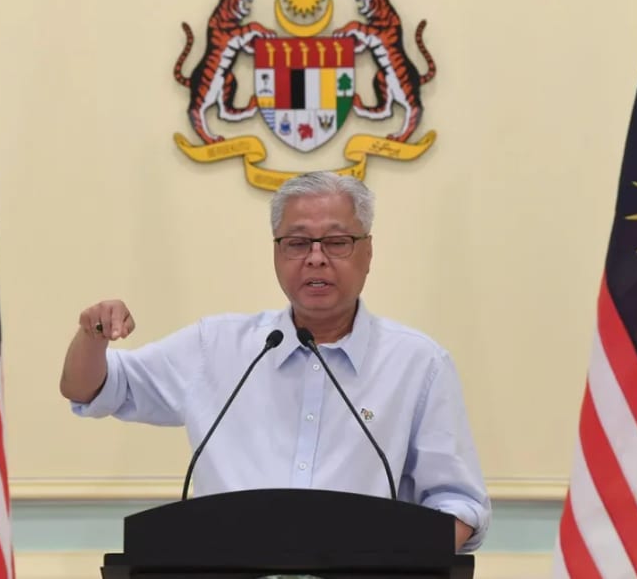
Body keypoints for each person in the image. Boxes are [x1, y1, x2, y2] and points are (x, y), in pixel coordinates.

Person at [60, 171, 491, 552]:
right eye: (297, 242)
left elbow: (460, 505)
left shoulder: (418, 364)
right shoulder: (216, 347)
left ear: (368, 252)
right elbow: (90, 389)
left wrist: (392, 560)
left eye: (337, 242)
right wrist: (92, 337)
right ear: (276, 252)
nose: (316, 257)